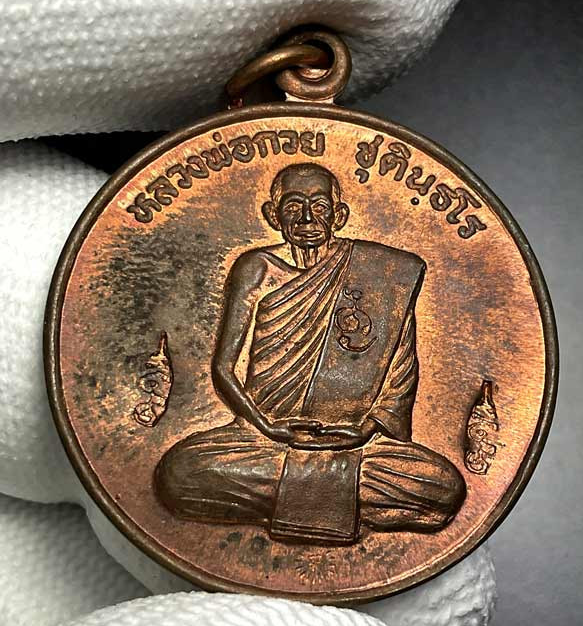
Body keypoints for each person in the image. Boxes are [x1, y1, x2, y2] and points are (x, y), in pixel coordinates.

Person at [155, 162, 465, 543]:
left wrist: (364, 431)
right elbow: (223, 369)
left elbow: (400, 378)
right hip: (263, 440)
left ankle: (289, 493)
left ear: (339, 215)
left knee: (443, 488)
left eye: (319, 206)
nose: (306, 218)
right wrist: (267, 426)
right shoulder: (256, 268)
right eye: (293, 206)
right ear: (273, 215)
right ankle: (339, 496)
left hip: (355, 447)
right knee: (179, 473)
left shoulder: (385, 274)